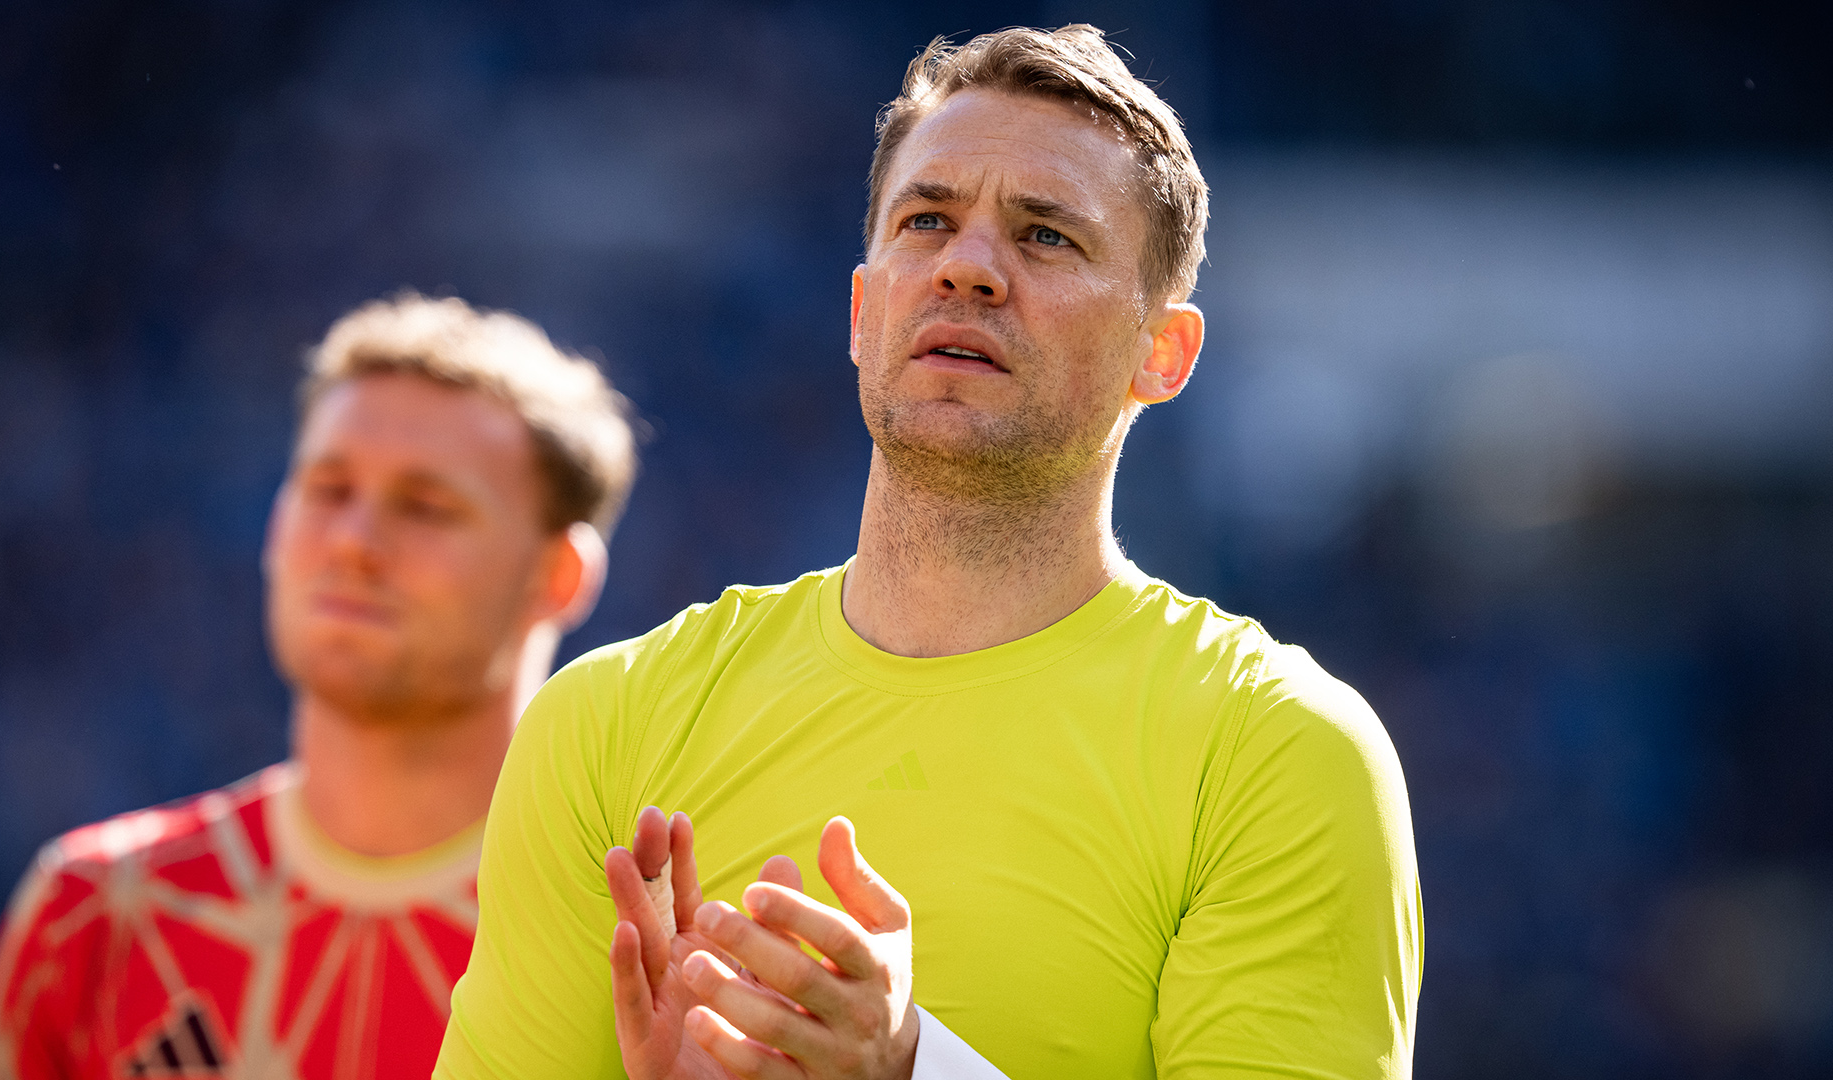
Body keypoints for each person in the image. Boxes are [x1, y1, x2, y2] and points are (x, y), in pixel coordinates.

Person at [438, 24, 1421, 1080]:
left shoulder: (1279, 754)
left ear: (1163, 354)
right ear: (864, 312)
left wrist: (912, 1068)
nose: (969, 268)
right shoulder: (605, 726)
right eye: (927, 220)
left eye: (1046, 236)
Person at [0, 294, 637, 1080]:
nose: (353, 542)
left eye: (426, 506)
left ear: (558, 574)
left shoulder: (636, 939)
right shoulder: (95, 913)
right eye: (327, 489)